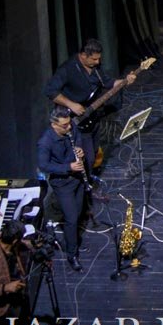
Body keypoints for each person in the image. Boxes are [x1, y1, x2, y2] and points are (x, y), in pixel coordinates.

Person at [36, 107, 93, 271]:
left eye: (69, 124)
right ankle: (71, 254)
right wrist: (68, 167)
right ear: (54, 125)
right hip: (62, 183)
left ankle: (72, 240)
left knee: (78, 212)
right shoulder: (45, 142)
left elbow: (78, 136)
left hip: (77, 179)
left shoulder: (70, 126)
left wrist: (80, 148)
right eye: (65, 125)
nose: (69, 127)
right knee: (71, 218)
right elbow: (44, 166)